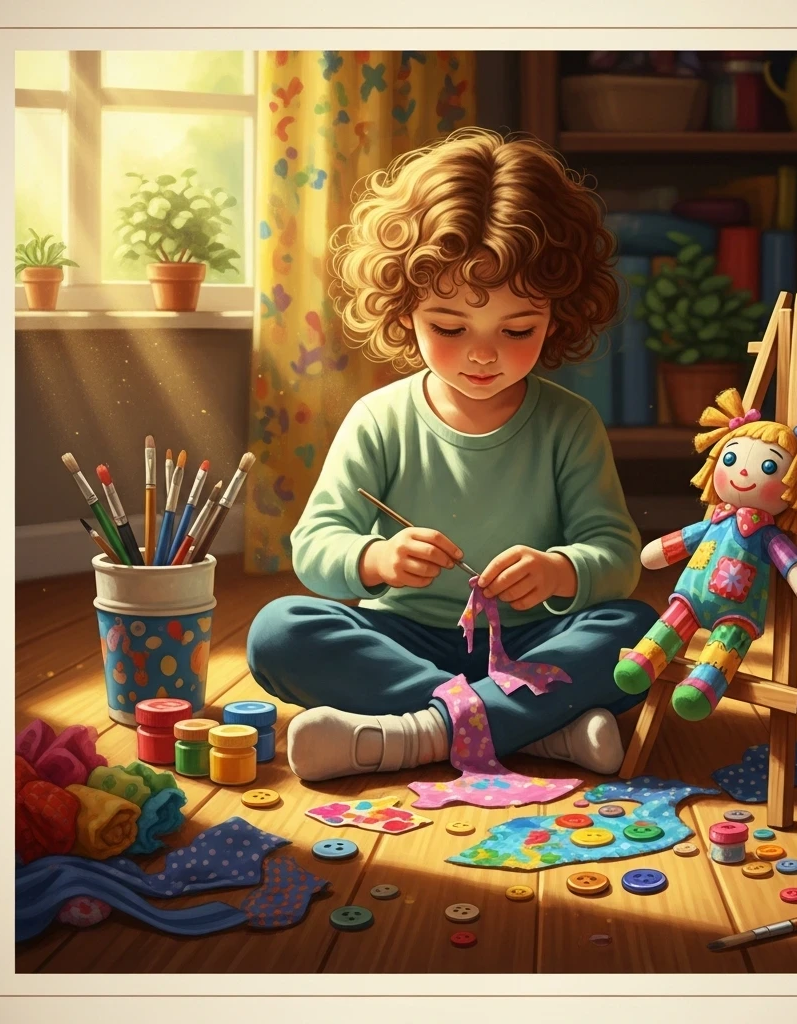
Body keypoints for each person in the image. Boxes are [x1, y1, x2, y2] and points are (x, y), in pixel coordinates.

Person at [246, 127, 657, 782]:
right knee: (278, 631)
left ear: (558, 315)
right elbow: (315, 547)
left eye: (517, 329)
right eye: (449, 326)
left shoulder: (568, 424)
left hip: (533, 643)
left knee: (637, 631)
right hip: (398, 641)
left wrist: (558, 572)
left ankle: (419, 733)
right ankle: (537, 730)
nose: (483, 353)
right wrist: (376, 558)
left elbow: (613, 555)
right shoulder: (378, 418)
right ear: (403, 308)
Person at [615, 388, 797, 720]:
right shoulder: (715, 520)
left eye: (769, 466)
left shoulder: (768, 535)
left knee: (726, 644)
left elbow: (793, 565)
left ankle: (703, 686)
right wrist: (658, 551)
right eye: (730, 459)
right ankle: (643, 661)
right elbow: (679, 542)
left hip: (738, 610)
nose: (742, 471)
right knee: (672, 621)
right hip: (691, 595)